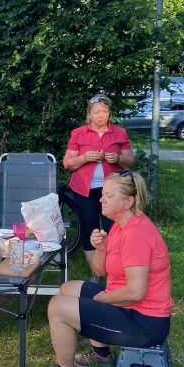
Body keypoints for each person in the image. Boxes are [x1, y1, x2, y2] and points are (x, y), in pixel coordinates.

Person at [29, 170, 172, 367]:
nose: (101, 199)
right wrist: (102, 249)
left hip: (145, 323)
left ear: (128, 201)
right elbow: (99, 270)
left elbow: (135, 292)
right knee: (68, 288)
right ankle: (101, 356)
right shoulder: (120, 224)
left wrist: (102, 299)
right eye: (103, 193)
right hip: (132, 308)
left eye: (108, 195)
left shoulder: (137, 234)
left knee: (57, 307)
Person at [63, 94, 135, 272]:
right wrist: (84, 158)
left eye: (105, 111)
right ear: (89, 115)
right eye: (97, 112)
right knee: (90, 229)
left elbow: (131, 161)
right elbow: (68, 163)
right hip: (84, 189)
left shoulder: (119, 132)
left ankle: (114, 270)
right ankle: (96, 272)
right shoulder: (78, 133)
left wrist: (118, 158)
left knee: (114, 229)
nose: (101, 115)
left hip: (112, 191)